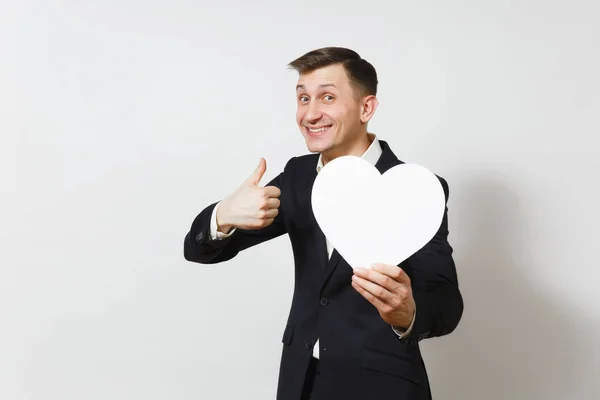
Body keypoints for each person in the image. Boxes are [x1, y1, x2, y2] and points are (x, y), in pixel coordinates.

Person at [183, 47, 463, 400]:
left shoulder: (415, 189)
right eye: (302, 98)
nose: (310, 114)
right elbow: (200, 251)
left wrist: (409, 312)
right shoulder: (299, 177)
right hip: (301, 382)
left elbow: (447, 302)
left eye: (327, 97)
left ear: (366, 108)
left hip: (381, 386)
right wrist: (222, 215)